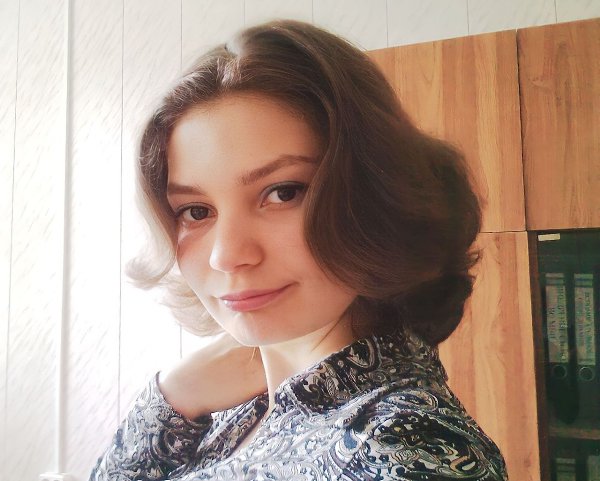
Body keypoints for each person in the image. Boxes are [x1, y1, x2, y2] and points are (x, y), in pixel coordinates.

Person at [90, 20, 508, 481]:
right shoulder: (240, 404)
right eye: (196, 211)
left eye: (283, 192)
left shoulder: (399, 451)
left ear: (378, 197)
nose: (226, 255)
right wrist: (173, 398)